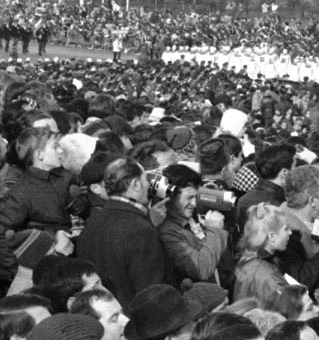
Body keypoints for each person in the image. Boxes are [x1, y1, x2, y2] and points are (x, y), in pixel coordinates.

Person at [77, 158, 173, 306]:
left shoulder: (91, 224)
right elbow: (151, 291)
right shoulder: (141, 230)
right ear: (135, 185)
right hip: (139, 319)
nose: (150, 184)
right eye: (146, 179)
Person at [0, 128, 79, 291]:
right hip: (45, 272)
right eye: (55, 146)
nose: (60, 151)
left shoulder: (64, 177)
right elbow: (2, 236)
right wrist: (23, 272)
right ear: (39, 155)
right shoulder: (22, 193)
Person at [157, 164, 230, 285]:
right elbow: (202, 269)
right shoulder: (167, 233)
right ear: (169, 198)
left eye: (196, 197)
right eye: (189, 198)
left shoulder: (193, 215)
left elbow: (231, 202)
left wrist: (215, 195)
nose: (194, 203)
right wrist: (214, 231)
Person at [234, 203, 291, 303]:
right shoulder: (268, 277)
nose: (290, 232)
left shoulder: (246, 259)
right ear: (271, 236)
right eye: (286, 229)